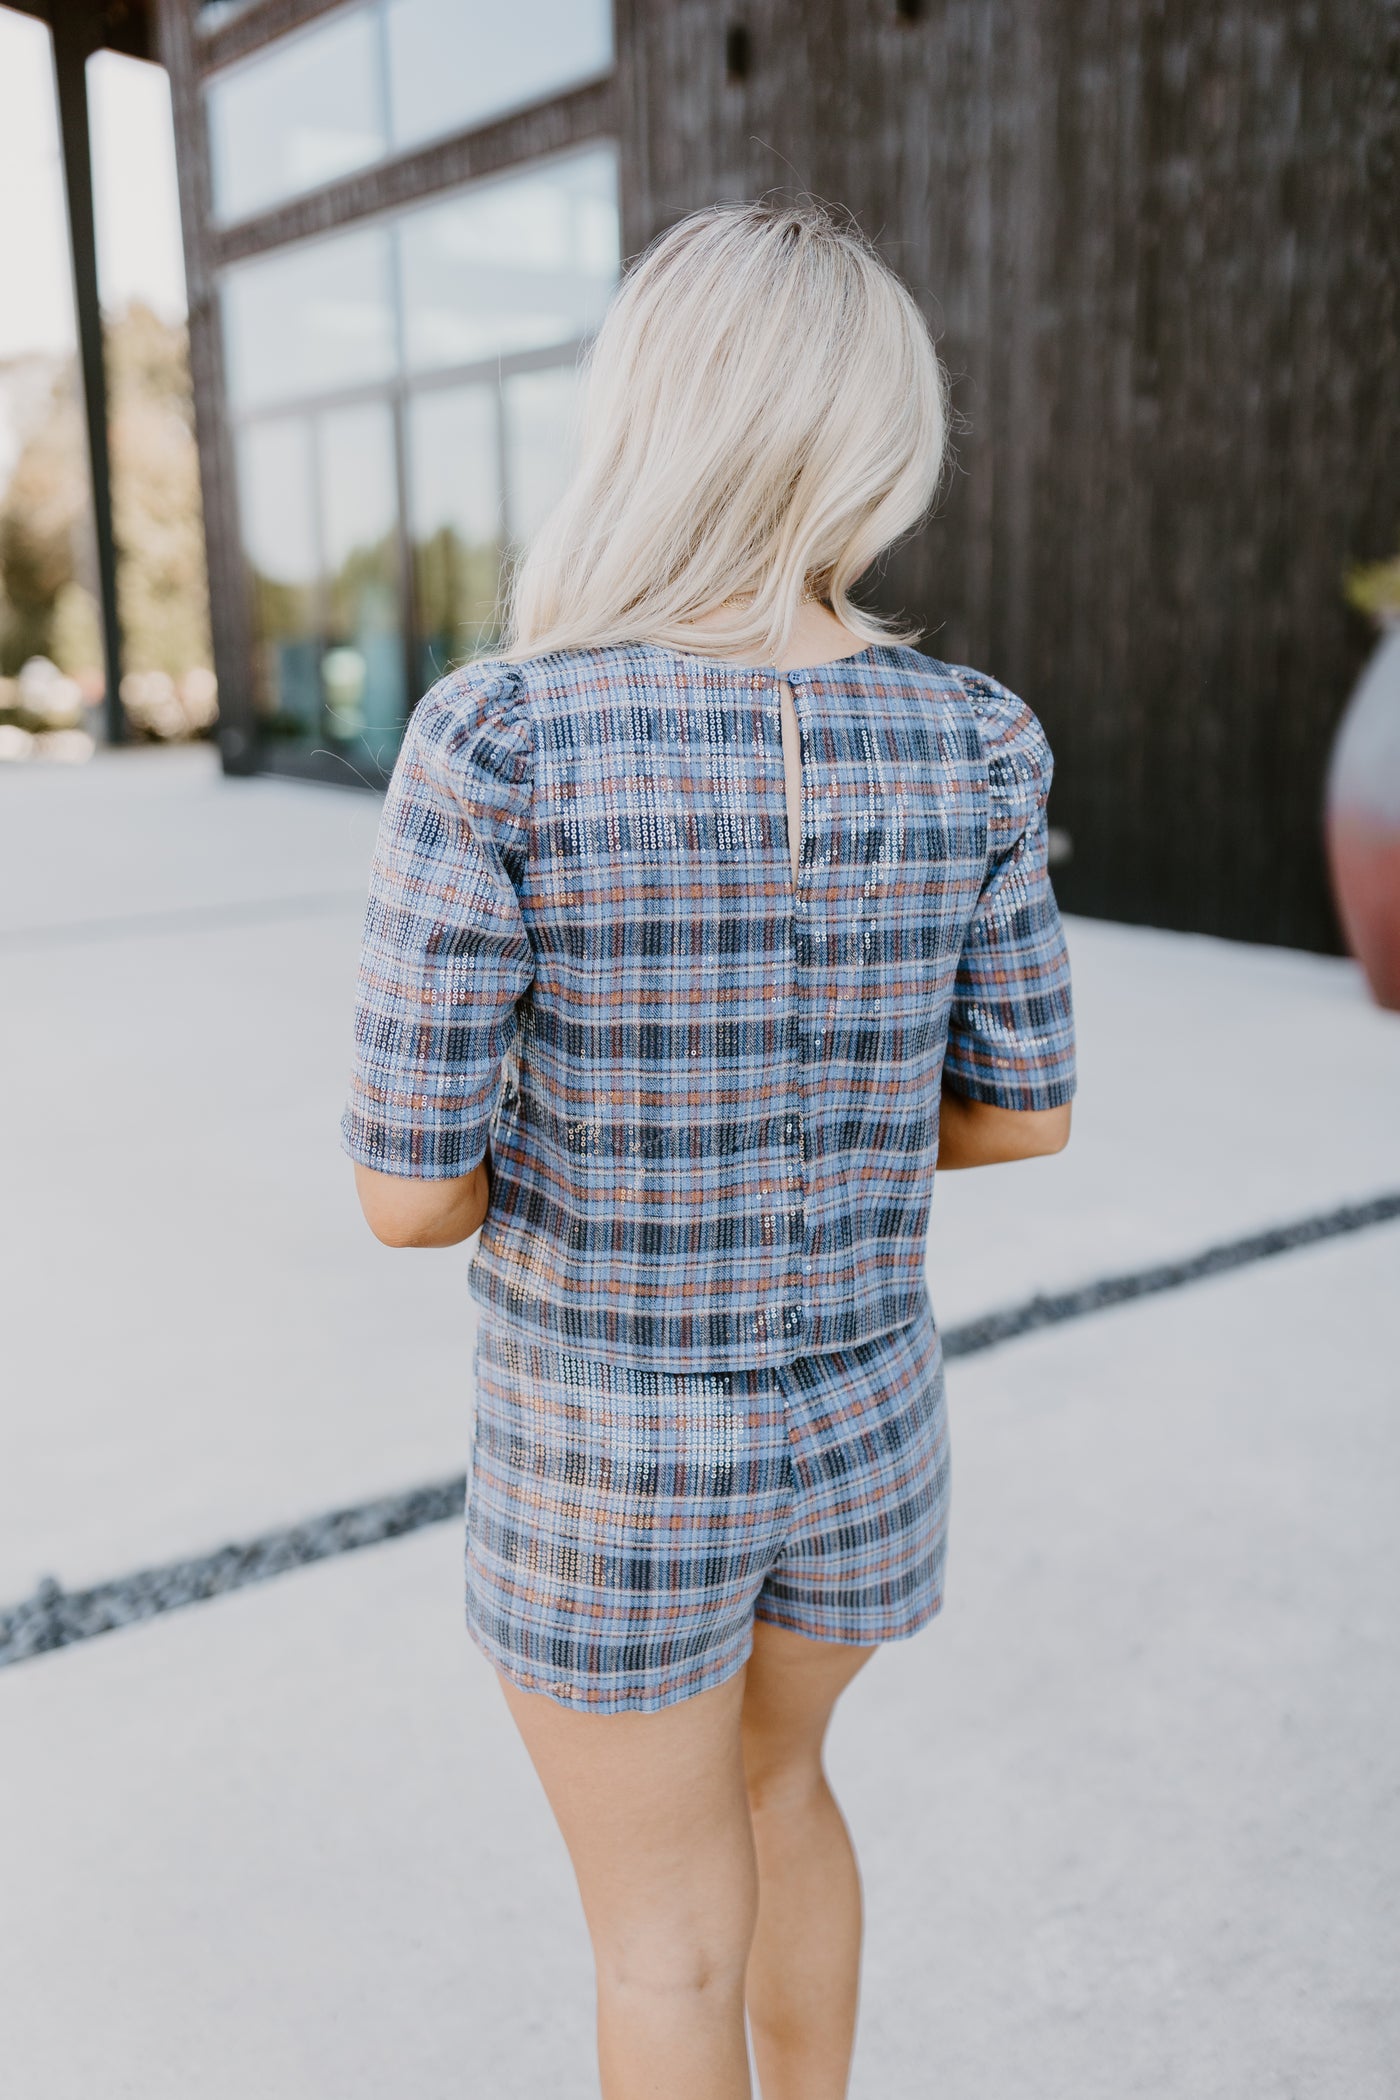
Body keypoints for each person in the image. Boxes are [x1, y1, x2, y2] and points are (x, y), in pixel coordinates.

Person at [343, 201, 1075, 2100]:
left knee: (659, 1945)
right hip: (863, 1418)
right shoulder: (974, 737)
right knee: (790, 1784)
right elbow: (1027, 1107)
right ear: (874, 432)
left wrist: (628, 1147)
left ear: (645, 419)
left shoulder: (500, 738)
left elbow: (410, 1197)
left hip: (609, 1450)